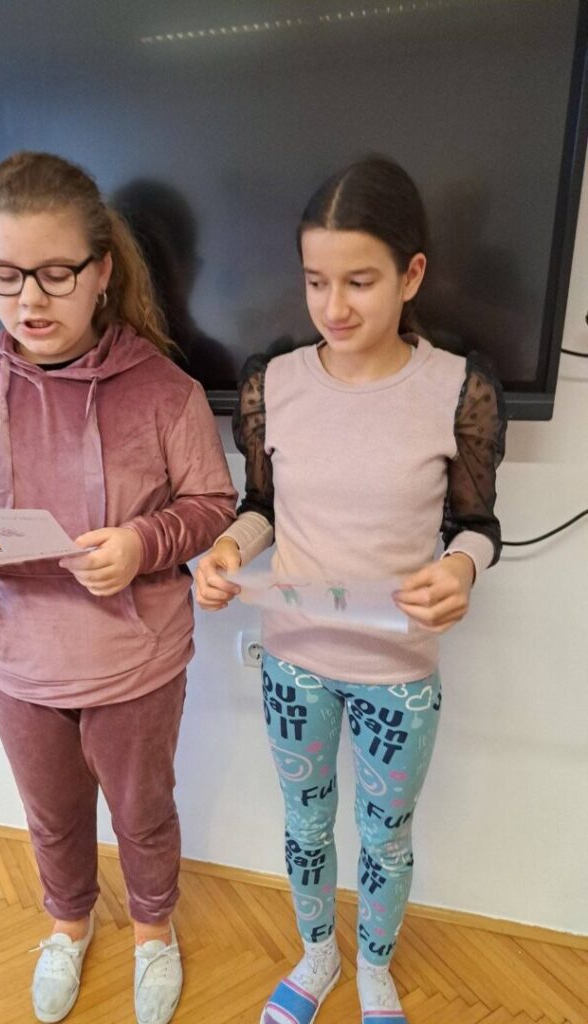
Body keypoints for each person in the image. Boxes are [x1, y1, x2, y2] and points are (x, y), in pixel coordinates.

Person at [0, 151, 237, 1024]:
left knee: (143, 812)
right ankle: (68, 925)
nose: (30, 300)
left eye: (55, 273)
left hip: (135, 658)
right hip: (15, 656)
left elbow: (212, 504)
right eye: (5, 274)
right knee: (50, 813)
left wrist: (141, 543)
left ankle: (154, 934)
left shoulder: (164, 391)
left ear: (101, 271)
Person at [194, 156, 506, 1024]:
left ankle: (374, 967)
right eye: (316, 281)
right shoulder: (274, 385)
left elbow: (478, 526)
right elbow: (260, 509)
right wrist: (225, 552)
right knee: (304, 824)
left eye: (360, 282)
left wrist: (460, 570)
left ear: (412, 274)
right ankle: (316, 955)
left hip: (398, 675)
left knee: (385, 836)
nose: (334, 307)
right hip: (293, 665)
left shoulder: (456, 390)